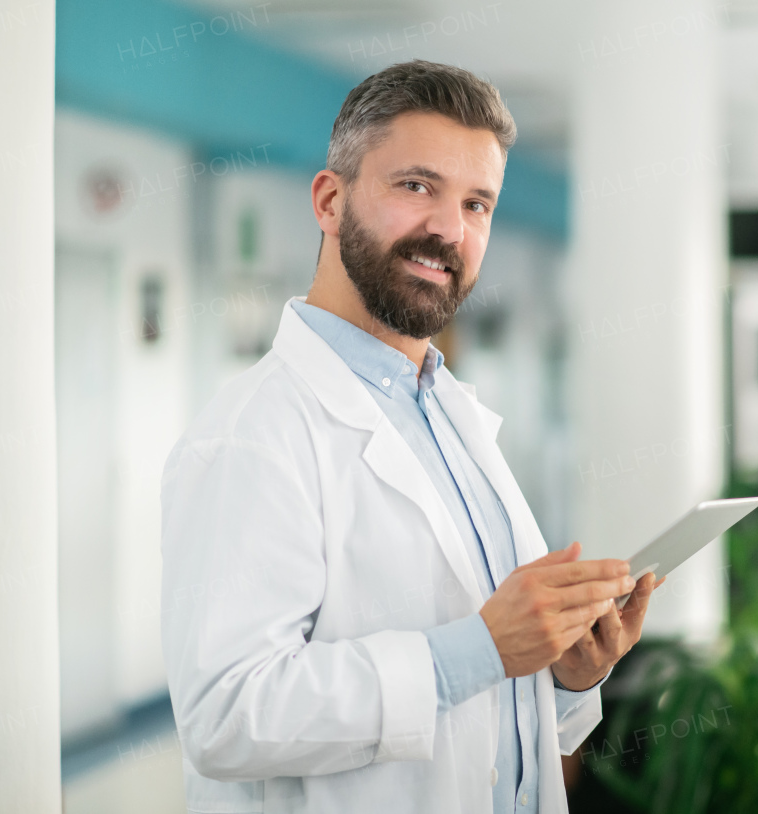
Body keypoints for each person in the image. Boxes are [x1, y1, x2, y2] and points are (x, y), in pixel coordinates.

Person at [160, 60, 663, 814]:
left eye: (477, 204)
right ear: (330, 201)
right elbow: (225, 715)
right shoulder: (254, 435)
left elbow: (487, 719)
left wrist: (564, 672)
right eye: (416, 187)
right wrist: (477, 651)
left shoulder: (454, 419)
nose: (448, 231)